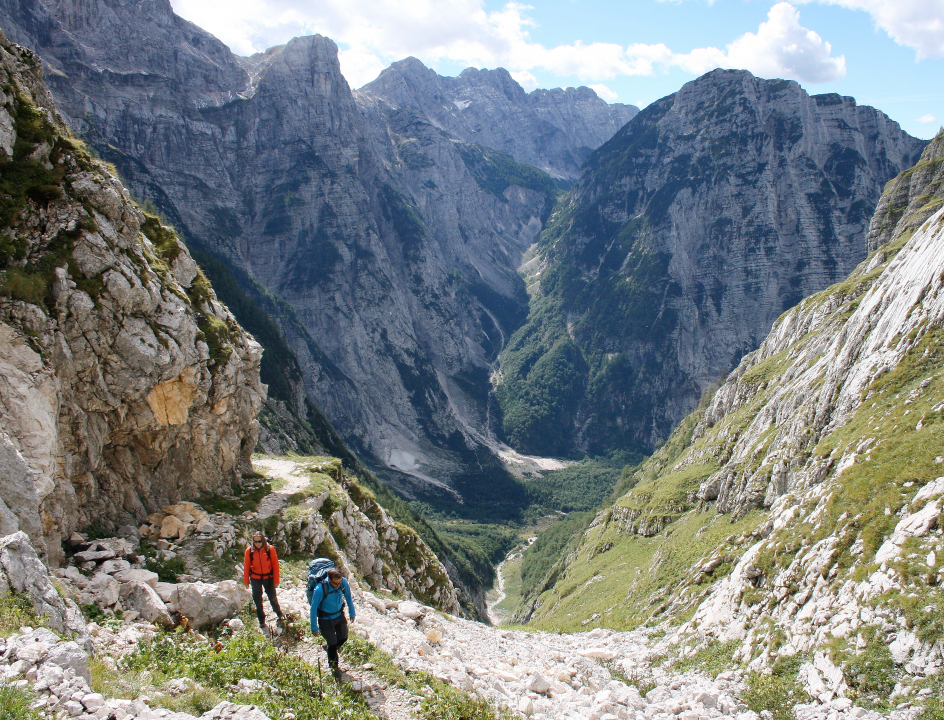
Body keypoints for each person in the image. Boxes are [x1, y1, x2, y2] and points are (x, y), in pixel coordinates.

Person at [310, 568, 356, 679]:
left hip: (339, 615)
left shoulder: (342, 582)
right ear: (329, 580)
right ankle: (334, 667)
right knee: (333, 643)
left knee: (343, 637)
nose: (338, 585)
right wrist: (314, 627)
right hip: (325, 619)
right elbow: (313, 608)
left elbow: (348, 597)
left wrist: (352, 612)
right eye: (335, 583)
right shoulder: (320, 589)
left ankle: (330, 647)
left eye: (339, 583)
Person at [243, 532, 284, 632]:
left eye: (259, 541)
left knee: (272, 597)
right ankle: (261, 621)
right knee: (257, 600)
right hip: (255, 578)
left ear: (263, 541)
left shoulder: (270, 549)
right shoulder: (249, 551)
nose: (257, 543)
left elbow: (275, 566)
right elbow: (247, 566)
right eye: (255, 541)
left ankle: (279, 615)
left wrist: (276, 581)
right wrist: (246, 581)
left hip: (268, 577)